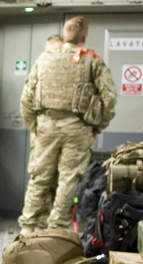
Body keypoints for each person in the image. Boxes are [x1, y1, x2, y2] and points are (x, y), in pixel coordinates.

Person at [18, 16, 117, 234]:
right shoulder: (92, 61)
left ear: (65, 35)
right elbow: (109, 98)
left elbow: (26, 98)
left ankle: (29, 227)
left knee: (39, 178)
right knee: (69, 179)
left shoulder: (44, 59)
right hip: (78, 129)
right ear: (84, 37)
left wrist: (35, 126)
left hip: (45, 126)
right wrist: (98, 126)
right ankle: (56, 229)